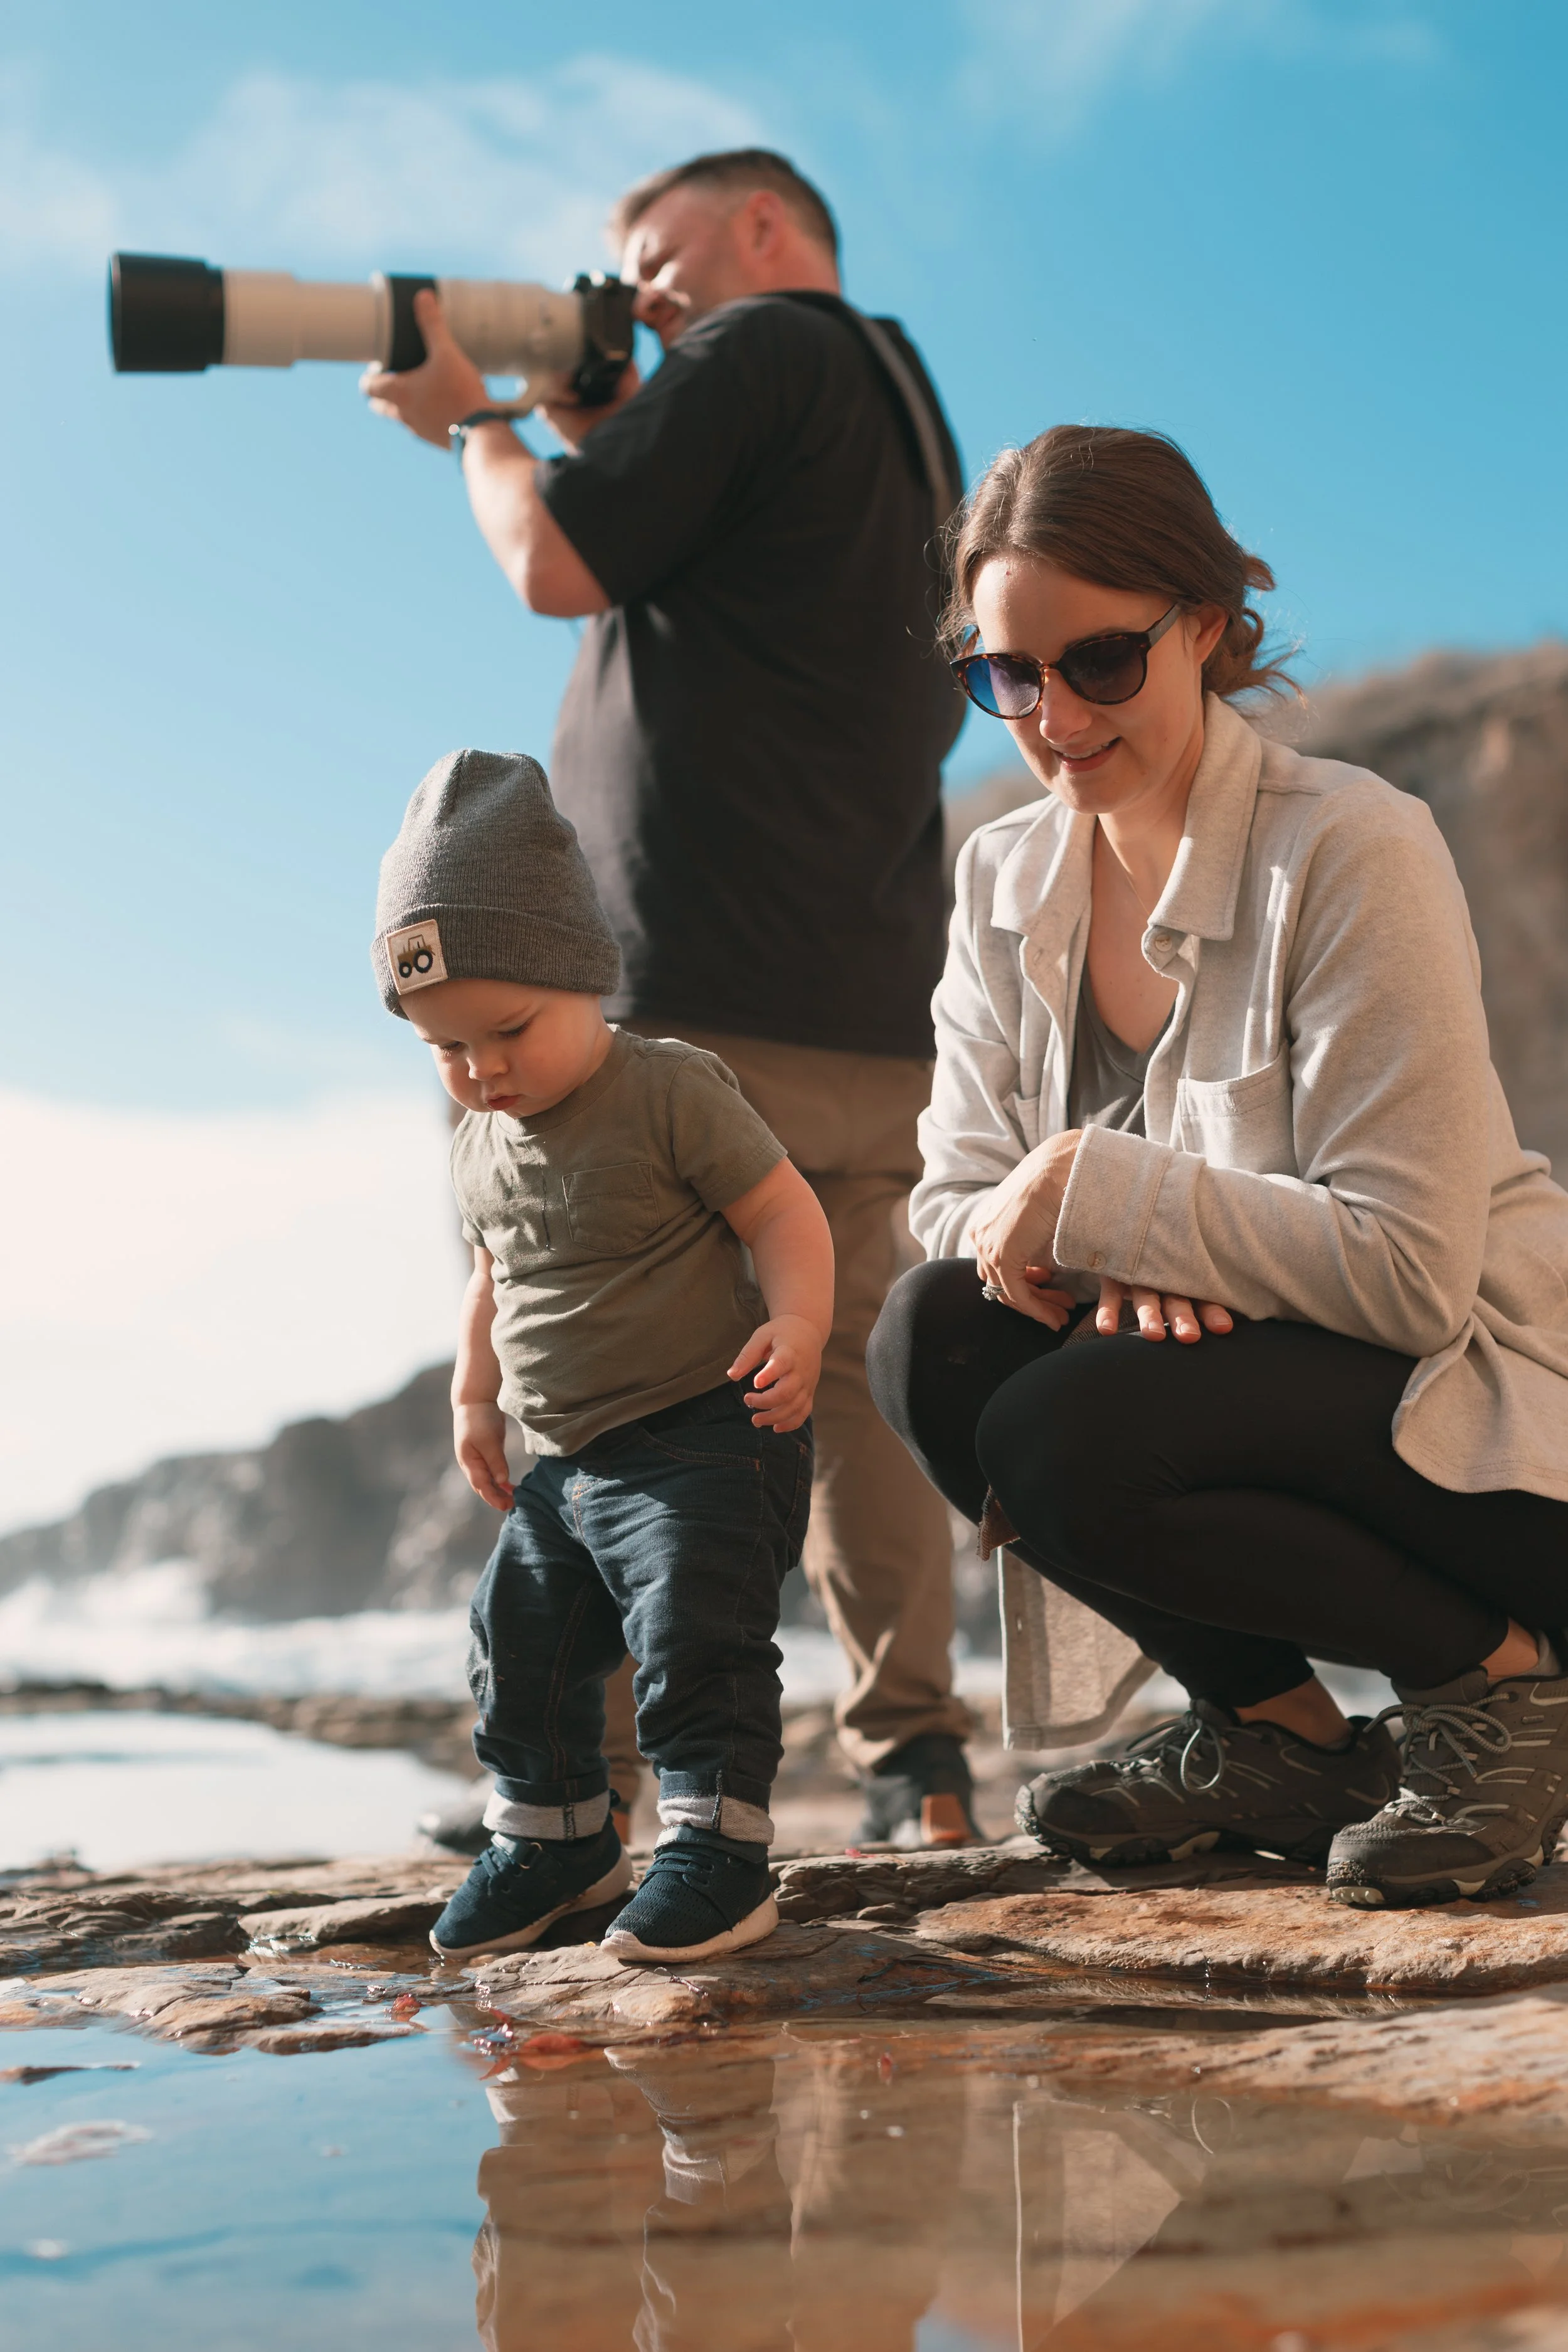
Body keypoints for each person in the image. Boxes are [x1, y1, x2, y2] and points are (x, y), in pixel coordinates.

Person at [364, 147, 977, 1849]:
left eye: (657, 247)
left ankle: (589, 1783)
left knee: (615, 1368)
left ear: (764, 226)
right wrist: (608, 414)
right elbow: (708, 553)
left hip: (695, 987)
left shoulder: (760, 342)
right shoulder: (895, 409)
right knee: (844, 1387)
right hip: (869, 1003)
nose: (639, 287)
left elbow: (557, 560)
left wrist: (474, 422)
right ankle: (916, 1764)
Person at [867, 424, 1568, 1910]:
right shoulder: (1000, 879)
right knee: (931, 1341)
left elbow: (1407, 1271)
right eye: (1007, 676)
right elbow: (952, 1206)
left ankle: (1504, 1690)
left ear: (1201, 626)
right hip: (1208, 1387)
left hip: (1487, 1435)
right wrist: (1101, 1246)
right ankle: (1280, 1738)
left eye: (1098, 661)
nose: (1054, 717)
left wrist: (1106, 1196)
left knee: (1064, 1426)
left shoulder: (1351, 845)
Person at [374, 748, 832, 1962]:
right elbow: (492, 1277)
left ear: (582, 973)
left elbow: (782, 1210)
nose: (483, 1069)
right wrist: (475, 1397)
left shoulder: (667, 1089)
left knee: (695, 1642)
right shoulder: (478, 1142)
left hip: (703, 1437)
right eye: (446, 1048)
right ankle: (557, 1841)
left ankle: (718, 1854)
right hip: (563, 1462)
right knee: (516, 1644)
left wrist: (798, 1326)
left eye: (508, 1031)